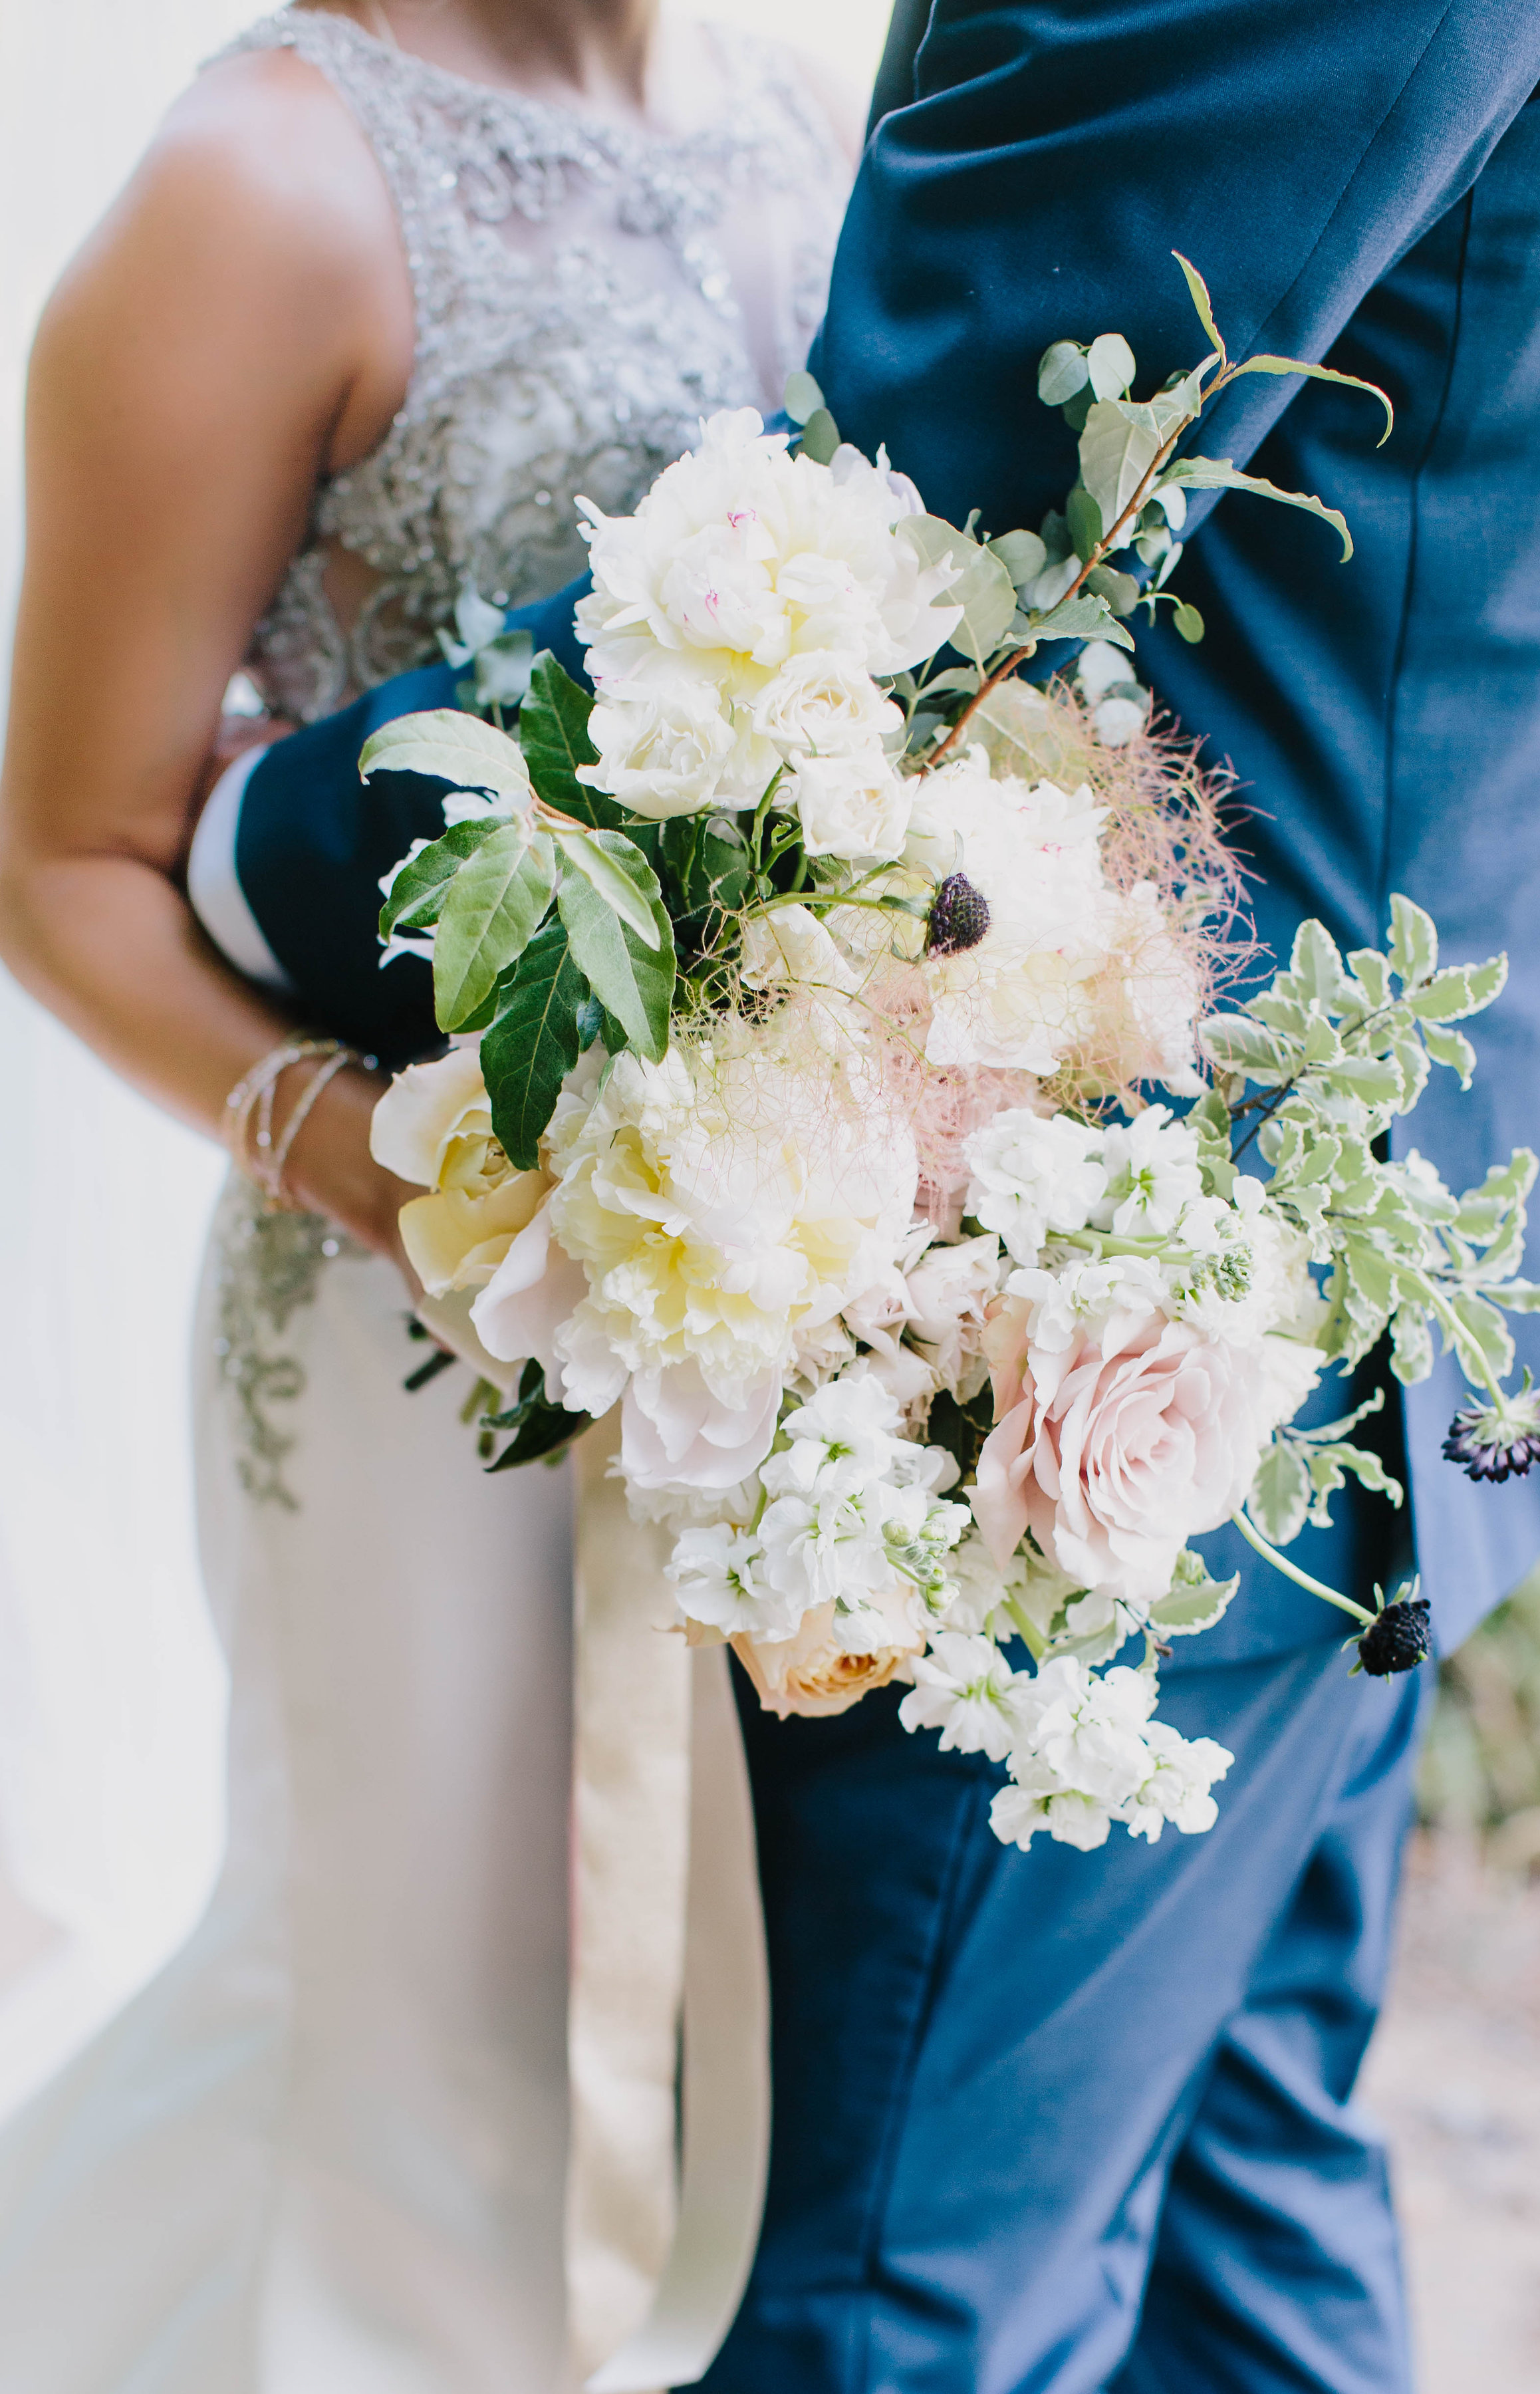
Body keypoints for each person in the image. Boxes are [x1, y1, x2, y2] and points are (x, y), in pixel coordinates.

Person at [173, 2, 1540, 2389]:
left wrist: (258, 846)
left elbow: (948, 502)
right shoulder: (316, 156)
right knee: (1238, 2245)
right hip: (1391, 1282)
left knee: (884, 2319)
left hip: (1118, 1330)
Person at [0, 2, 854, 2383]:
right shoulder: (262, 186)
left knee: (668, 2042)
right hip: (419, 1320)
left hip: (743, 1295)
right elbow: (64, 861)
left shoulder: (796, 118)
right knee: (412, 2036)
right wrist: (421, 1193)